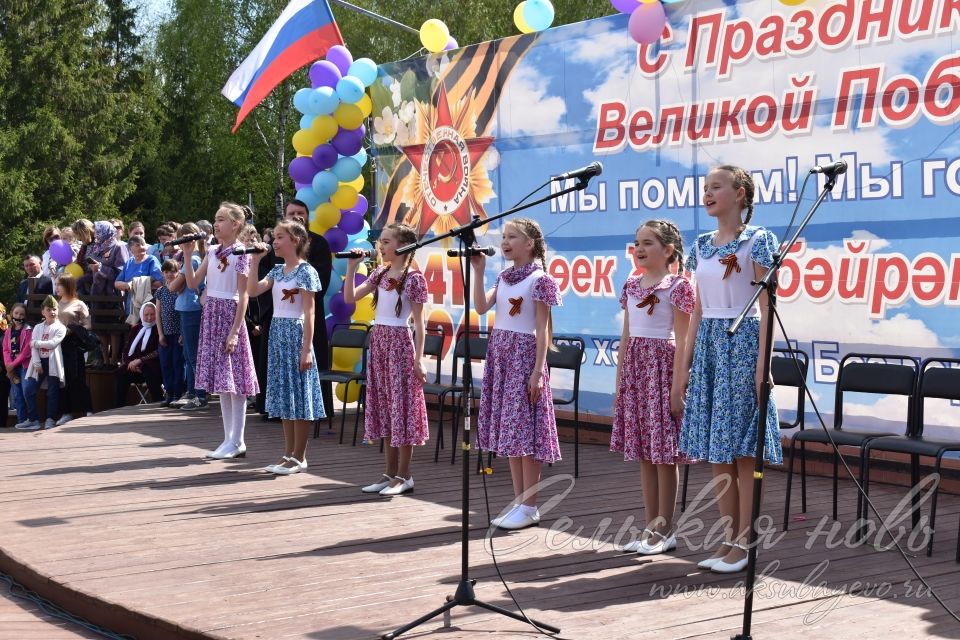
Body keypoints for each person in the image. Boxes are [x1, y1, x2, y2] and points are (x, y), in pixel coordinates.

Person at [676, 165, 781, 574]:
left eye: (716, 187)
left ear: (739, 194)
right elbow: (699, 309)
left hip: (742, 345)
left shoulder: (758, 240)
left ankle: (745, 543)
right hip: (709, 348)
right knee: (717, 448)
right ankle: (727, 540)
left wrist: (762, 366)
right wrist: (684, 366)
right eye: (705, 188)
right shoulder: (700, 245)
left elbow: (768, 305)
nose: (707, 194)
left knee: (740, 450)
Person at [471, 218, 563, 530]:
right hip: (501, 357)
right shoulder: (504, 276)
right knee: (510, 432)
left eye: (513, 237)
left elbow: (542, 329)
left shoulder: (540, 279)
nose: (506, 242)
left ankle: (530, 505)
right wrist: (479, 270)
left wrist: (538, 371)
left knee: (527, 431)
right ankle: (518, 502)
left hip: (524, 359)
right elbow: (482, 307)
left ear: (530, 244)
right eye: (505, 237)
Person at [610, 220, 695, 555]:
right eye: (637, 243)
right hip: (636, 371)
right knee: (645, 453)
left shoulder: (678, 287)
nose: (640, 250)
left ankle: (665, 530)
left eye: (648, 243)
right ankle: (649, 528)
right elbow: (627, 335)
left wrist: (678, 388)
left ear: (668, 250)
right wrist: (621, 380)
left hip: (662, 371)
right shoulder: (631, 285)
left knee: (664, 455)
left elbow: (684, 339)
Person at [345, 223, 428, 496]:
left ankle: (405, 475)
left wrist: (418, 359)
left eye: (387, 241)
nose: (381, 246)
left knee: (402, 408)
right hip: (379, 341)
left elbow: (420, 321)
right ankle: (389, 473)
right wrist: (351, 267)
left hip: (399, 343)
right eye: (380, 242)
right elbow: (350, 297)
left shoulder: (413, 278)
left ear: (403, 246)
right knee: (385, 406)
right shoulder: (380, 272)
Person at [248, 220, 324, 474]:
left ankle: (299, 456)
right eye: (274, 237)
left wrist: (307, 349)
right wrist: (255, 261)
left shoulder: (306, 271)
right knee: (284, 395)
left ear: (295, 240)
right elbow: (252, 290)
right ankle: (288, 453)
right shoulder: (277, 270)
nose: (273, 242)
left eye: (279, 237)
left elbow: (309, 313)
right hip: (278, 332)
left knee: (299, 395)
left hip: (296, 332)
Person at [184, 202, 259, 459]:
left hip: (229, 315)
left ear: (235, 225)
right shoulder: (213, 251)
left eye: (221, 220)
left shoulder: (241, 252)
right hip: (212, 314)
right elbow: (194, 282)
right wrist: (187, 253)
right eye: (215, 220)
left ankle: (237, 440)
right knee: (223, 383)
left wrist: (236, 330)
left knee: (235, 381)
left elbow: (244, 294)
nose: (216, 224)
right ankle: (228, 439)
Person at [283, 199, 333, 414]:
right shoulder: (277, 244)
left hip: (309, 312)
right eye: (291, 213)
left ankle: (316, 408)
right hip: (282, 314)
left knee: (313, 359)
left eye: (300, 212)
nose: (296, 216)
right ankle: (285, 410)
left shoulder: (319, 244)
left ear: (307, 216)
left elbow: (320, 281)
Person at [169, 223, 207, 411]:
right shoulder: (191, 258)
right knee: (188, 353)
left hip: (192, 309)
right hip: (186, 308)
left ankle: (200, 395)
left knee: (193, 354)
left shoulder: (193, 259)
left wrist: (172, 283)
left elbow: (174, 286)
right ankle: (192, 391)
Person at [83, 221, 129, 365]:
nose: (96, 234)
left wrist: (101, 268)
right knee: (100, 328)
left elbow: (121, 271)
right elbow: (91, 271)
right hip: (97, 292)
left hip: (112, 293)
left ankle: (114, 361)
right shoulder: (97, 248)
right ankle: (105, 359)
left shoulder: (119, 247)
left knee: (113, 329)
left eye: (98, 231)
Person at [23, 296, 66, 430]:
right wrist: (36, 363)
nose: (52, 312)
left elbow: (52, 344)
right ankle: (34, 419)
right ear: (43, 312)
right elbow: (34, 348)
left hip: (53, 363)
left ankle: (50, 419)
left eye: (54, 309)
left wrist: (36, 343)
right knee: (29, 390)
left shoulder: (60, 327)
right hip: (40, 362)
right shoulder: (37, 327)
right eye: (49, 309)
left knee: (52, 392)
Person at [55, 274, 92, 425]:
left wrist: (72, 329)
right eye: (56, 284)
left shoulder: (79, 304)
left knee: (78, 377)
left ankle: (88, 409)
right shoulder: (55, 303)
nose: (56, 287)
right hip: (58, 344)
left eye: (59, 284)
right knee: (63, 379)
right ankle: (66, 412)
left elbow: (88, 325)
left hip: (73, 343)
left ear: (68, 285)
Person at [114, 302, 162, 407]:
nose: (149, 318)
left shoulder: (159, 329)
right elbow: (126, 350)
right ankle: (118, 407)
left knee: (148, 369)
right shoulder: (135, 329)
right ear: (141, 315)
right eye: (146, 315)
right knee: (121, 372)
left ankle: (158, 403)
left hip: (151, 366)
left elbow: (158, 351)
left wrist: (141, 361)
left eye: (152, 314)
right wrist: (130, 363)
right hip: (134, 368)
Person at [155, 260, 185, 407]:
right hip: (165, 334)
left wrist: (183, 333)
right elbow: (158, 314)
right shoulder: (160, 291)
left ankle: (178, 393)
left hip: (178, 333)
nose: (170, 274)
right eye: (166, 272)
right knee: (166, 364)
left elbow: (183, 313)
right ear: (163, 273)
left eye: (173, 271)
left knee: (178, 363)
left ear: (178, 273)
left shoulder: (181, 289)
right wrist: (160, 334)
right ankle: (169, 392)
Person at [5, 304, 32, 428]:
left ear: (25, 316)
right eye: (16, 313)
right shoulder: (8, 330)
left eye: (21, 314)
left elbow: (26, 351)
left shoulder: (28, 330)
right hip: (12, 367)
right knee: (17, 395)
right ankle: (22, 420)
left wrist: (13, 364)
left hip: (23, 366)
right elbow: (5, 349)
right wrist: (8, 365)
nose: (18, 316)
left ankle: (32, 419)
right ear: (12, 314)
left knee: (26, 391)